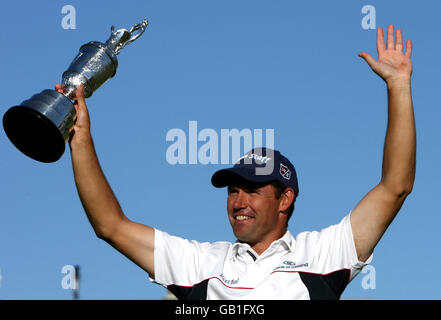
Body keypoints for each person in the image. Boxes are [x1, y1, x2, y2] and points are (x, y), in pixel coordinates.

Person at [56, 24, 415, 299]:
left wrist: (398, 86)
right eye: (233, 190)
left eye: (253, 190)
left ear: (285, 199)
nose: (238, 202)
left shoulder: (322, 254)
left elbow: (395, 187)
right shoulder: (202, 263)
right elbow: (110, 225)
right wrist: (81, 138)